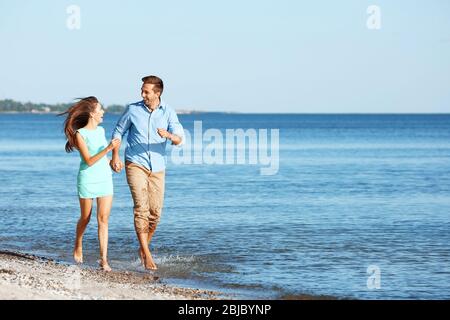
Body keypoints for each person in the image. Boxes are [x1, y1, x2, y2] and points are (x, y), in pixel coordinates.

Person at [110, 75, 184, 270]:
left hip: (158, 167)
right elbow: (118, 132)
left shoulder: (168, 112)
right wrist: (115, 156)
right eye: (142, 90)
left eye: (146, 91)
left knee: (155, 213)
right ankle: (147, 254)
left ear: (157, 93)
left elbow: (179, 139)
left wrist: (168, 135)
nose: (142, 94)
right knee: (141, 208)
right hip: (135, 163)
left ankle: (143, 248)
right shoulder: (132, 110)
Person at [60, 97, 120, 272]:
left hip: (105, 178)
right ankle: (78, 243)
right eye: (100, 110)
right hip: (87, 178)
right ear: (92, 114)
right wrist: (108, 148)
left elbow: (101, 158)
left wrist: (113, 163)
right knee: (85, 217)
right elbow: (89, 160)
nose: (103, 112)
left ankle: (104, 260)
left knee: (103, 219)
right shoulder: (80, 135)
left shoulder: (101, 131)